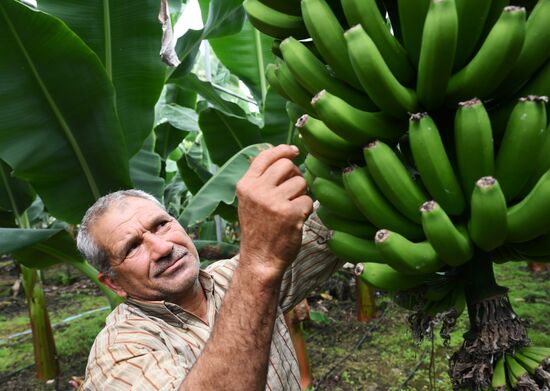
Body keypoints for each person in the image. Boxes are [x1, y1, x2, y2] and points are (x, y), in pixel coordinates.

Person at [76, 144, 343, 390]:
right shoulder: (117, 355)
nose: (162, 248)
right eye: (132, 247)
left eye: (161, 225)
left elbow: (326, 230)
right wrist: (259, 264)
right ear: (114, 283)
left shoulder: (230, 278)